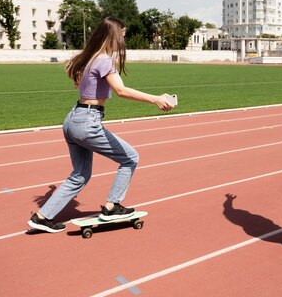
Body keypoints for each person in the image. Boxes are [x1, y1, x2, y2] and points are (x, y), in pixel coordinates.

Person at [28, 16, 175, 233]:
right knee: (130, 158)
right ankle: (112, 205)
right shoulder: (104, 60)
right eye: (122, 35)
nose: (123, 40)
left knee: (80, 175)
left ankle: (42, 216)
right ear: (114, 36)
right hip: (88, 122)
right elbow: (121, 91)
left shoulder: (87, 58)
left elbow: (82, 84)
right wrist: (156, 98)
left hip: (72, 120)